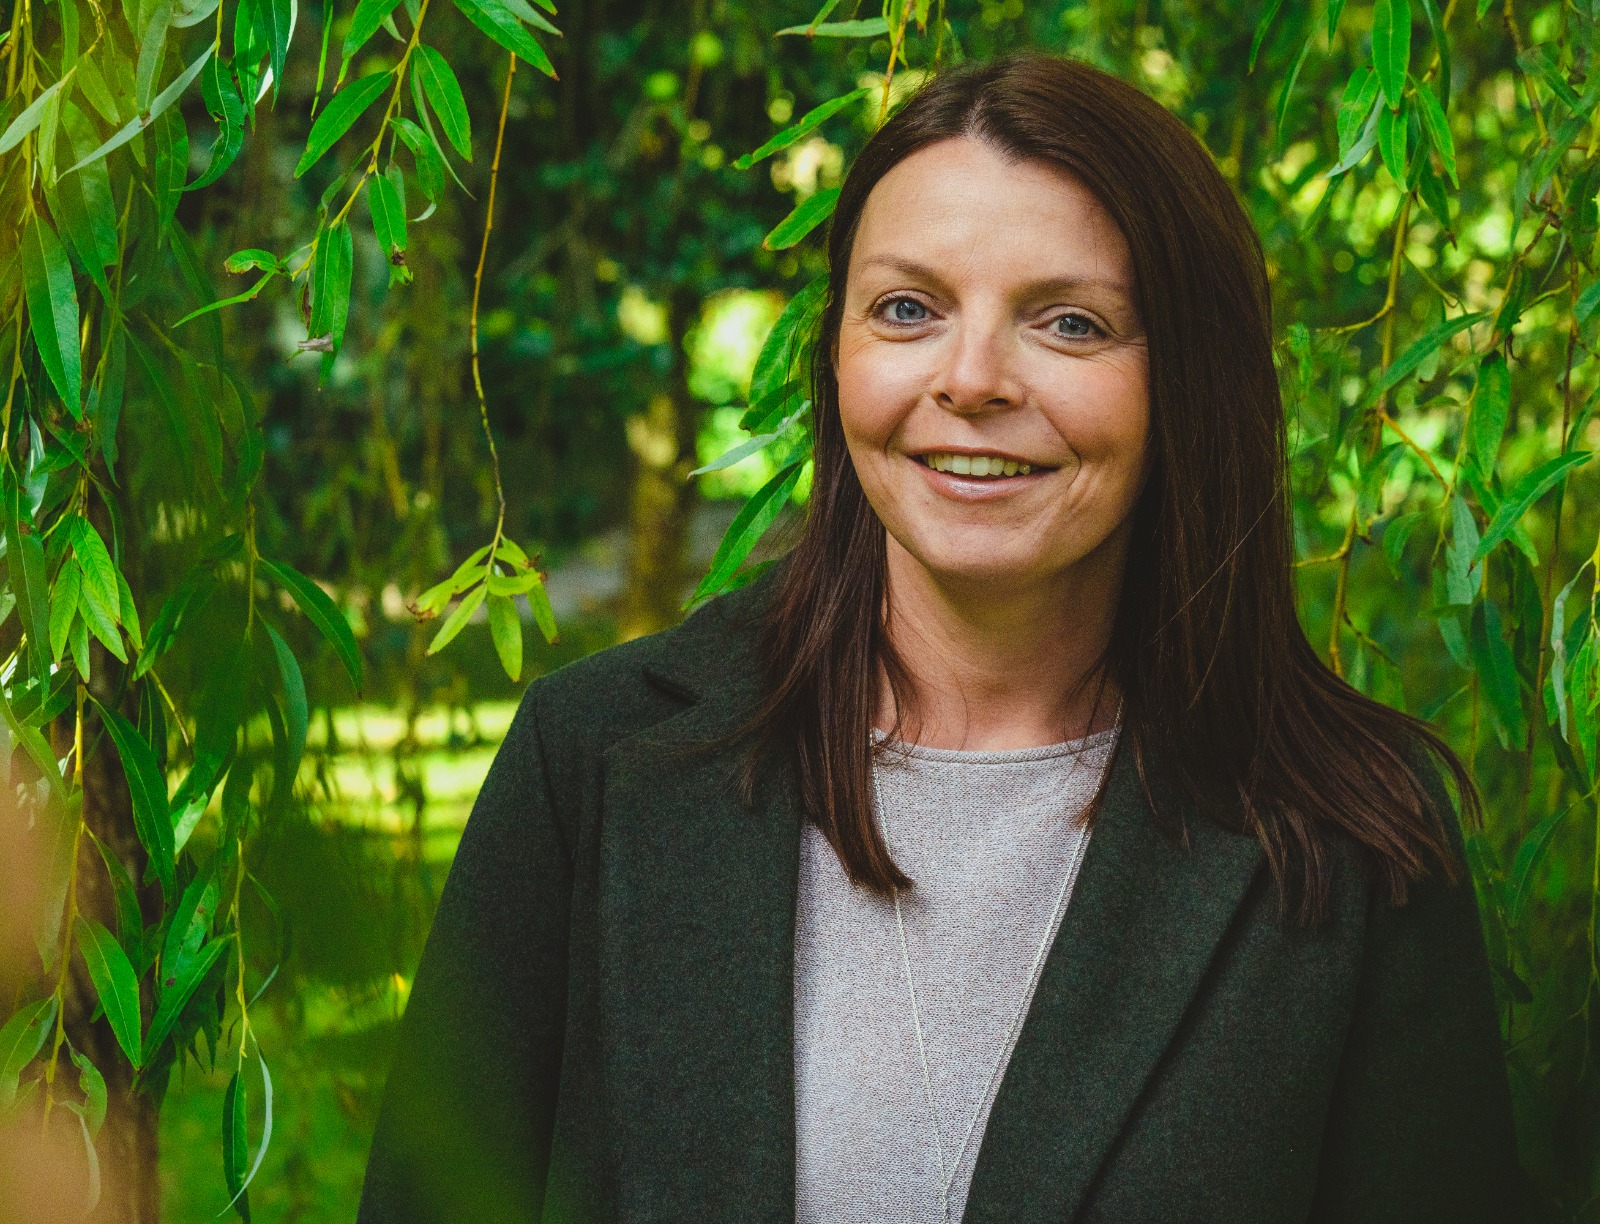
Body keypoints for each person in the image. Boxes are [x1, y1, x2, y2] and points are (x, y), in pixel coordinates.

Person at [356, 50, 1523, 1224]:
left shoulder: (1348, 832)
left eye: (1069, 323)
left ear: (1188, 378)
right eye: (907, 309)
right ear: (836, 353)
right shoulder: (594, 761)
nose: (970, 381)